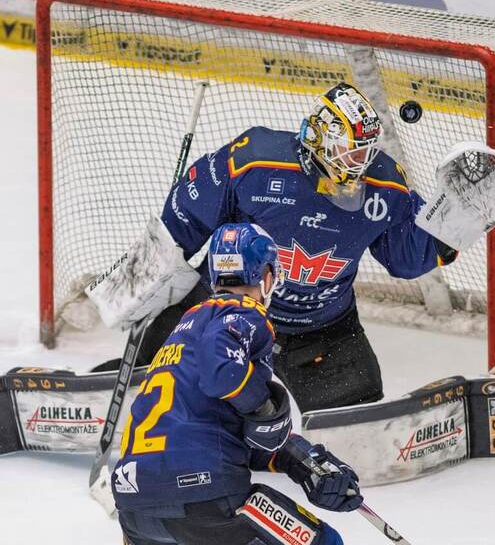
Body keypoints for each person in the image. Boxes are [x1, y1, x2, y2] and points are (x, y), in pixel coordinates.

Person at [95, 81, 475, 412]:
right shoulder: (254, 160)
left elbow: (405, 256)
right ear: (321, 137)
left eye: (367, 152)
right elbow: (184, 219)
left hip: (320, 328)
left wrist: (454, 223)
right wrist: (145, 275)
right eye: (352, 151)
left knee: (358, 409)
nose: (362, 164)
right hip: (222, 313)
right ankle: (130, 373)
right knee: (163, 365)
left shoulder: (387, 186)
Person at [113, 222, 363, 545]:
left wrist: (305, 462)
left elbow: (224, 431)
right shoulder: (245, 312)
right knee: (325, 542)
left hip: (134, 512)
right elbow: (221, 370)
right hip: (205, 498)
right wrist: (264, 406)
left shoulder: (184, 331)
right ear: (267, 277)